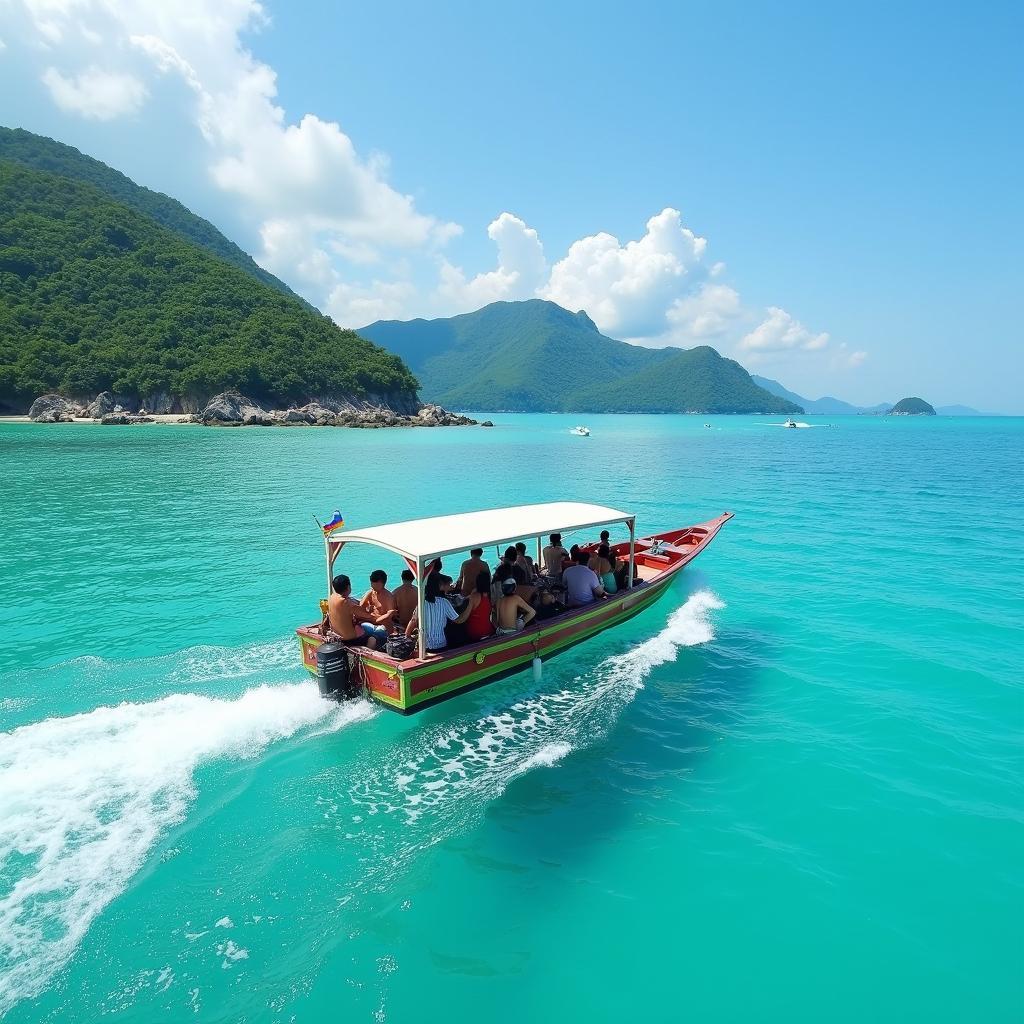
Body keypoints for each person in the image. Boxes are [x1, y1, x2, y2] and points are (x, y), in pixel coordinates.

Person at [328, 574, 388, 648]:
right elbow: (367, 615)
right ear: (348, 587)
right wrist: (371, 610)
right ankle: (368, 650)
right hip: (352, 640)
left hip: (338, 636)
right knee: (381, 632)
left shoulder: (332, 597)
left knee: (366, 627)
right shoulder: (347, 603)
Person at [404, 571, 459, 652]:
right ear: (438, 587)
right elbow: (458, 620)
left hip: (425, 645)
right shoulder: (444, 602)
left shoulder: (422, 603)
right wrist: (470, 604)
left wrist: (407, 636)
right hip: (441, 644)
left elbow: (413, 620)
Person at [460, 570, 494, 642]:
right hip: (488, 631)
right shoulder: (490, 594)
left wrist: (454, 620)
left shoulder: (474, 597)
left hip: (475, 633)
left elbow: (463, 618)